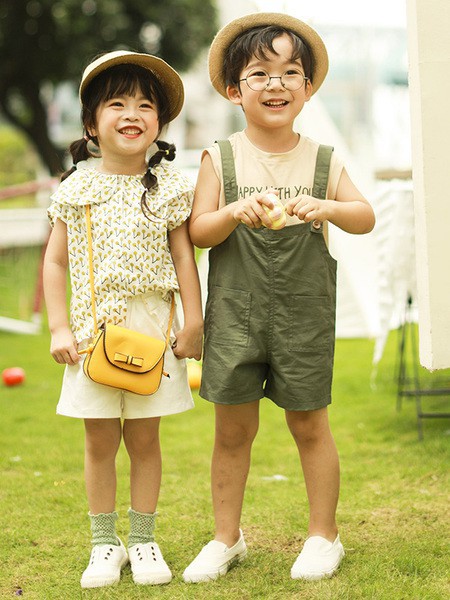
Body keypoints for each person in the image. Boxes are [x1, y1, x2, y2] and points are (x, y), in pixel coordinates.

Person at [183, 13, 375, 583]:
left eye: (290, 72)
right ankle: (226, 538)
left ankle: (324, 536)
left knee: (310, 426)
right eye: (260, 73)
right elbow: (198, 231)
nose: (276, 84)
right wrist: (231, 212)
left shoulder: (323, 159)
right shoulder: (221, 157)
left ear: (307, 88)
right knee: (231, 432)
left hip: (303, 317)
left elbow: (364, 216)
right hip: (234, 317)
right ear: (234, 90)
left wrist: (328, 207)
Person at [43, 50, 203, 589]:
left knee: (145, 439)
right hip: (92, 334)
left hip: (153, 331)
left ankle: (143, 540)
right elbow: (55, 262)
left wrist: (194, 321)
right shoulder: (76, 187)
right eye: (117, 103)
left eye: (144, 105)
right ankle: (103, 545)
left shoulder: (171, 187)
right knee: (98, 441)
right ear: (92, 124)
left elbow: (184, 259)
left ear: (159, 123)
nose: (132, 113)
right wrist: (59, 327)